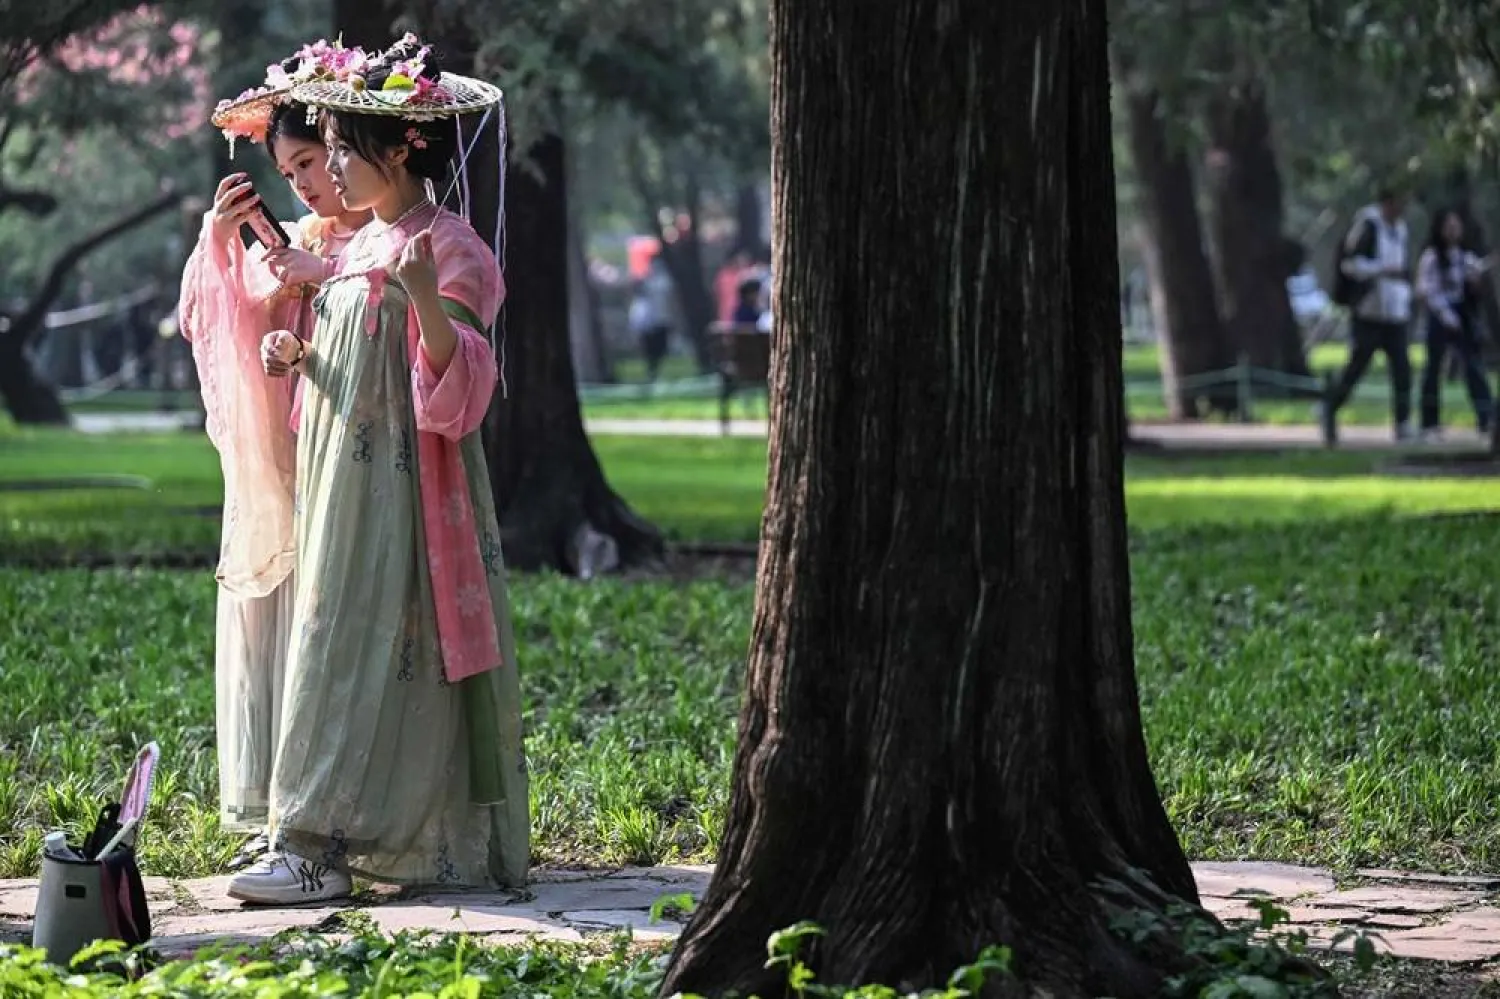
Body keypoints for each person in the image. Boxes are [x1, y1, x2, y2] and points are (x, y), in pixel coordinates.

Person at [227, 34, 528, 905]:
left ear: (398, 150)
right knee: (333, 636)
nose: (336, 173)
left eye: (346, 153)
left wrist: (425, 296)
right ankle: (313, 833)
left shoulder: (454, 246)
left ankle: (326, 841)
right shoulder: (356, 245)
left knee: (378, 647)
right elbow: (354, 355)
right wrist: (298, 352)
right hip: (341, 481)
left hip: (407, 493)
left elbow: (459, 385)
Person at [178, 41, 372, 858]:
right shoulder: (286, 240)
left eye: (310, 162)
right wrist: (224, 243)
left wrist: (321, 274)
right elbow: (218, 317)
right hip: (283, 458)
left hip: (354, 451)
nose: (303, 184)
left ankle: (342, 798)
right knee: (277, 605)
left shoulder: (385, 241)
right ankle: (272, 798)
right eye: (289, 171)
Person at [1324, 188, 1415, 441]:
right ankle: (1329, 408)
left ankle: (1403, 422)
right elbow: (1350, 264)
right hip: (1368, 312)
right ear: (1386, 203)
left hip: (1395, 313)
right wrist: (1382, 270)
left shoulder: (1401, 229)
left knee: (1402, 369)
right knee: (1357, 366)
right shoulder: (1367, 226)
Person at [1417, 209, 1496, 438]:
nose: (1453, 231)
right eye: (1448, 226)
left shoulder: (1465, 257)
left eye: (1456, 226)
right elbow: (1426, 290)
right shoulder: (1431, 258)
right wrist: (1445, 314)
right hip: (1439, 318)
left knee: (1474, 367)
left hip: (1462, 318)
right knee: (1433, 369)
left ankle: (1486, 418)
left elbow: (1473, 289)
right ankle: (1429, 422)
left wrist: (1475, 284)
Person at [628, 280, 669, 381]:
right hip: (647, 333)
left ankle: (656, 372)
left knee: (660, 353)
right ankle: (652, 374)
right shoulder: (638, 304)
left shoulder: (653, 299)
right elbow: (636, 322)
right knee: (651, 356)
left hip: (657, 328)